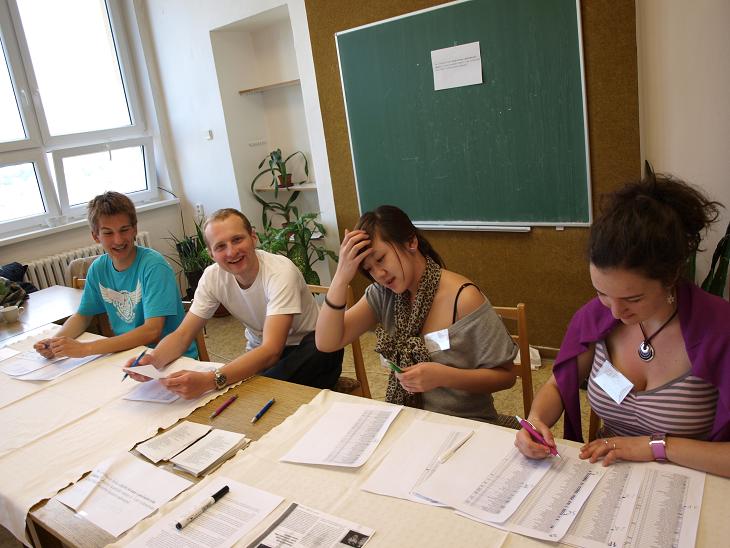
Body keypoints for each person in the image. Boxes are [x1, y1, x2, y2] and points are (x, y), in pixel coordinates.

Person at [515, 174, 730, 478]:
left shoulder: (720, 330)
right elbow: (558, 385)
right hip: (607, 474)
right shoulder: (595, 318)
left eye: (633, 298)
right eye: (602, 293)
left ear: (671, 277)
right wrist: (536, 420)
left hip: (687, 482)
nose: (615, 311)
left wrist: (655, 446)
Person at [315, 205, 517, 422]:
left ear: (411, 242)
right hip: (408, 419)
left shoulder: (464, 298)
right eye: (369, 268)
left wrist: (443, 376)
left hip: (465, 423)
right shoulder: (383, 294)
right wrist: (340, 277)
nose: (379, 274)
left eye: (381, 259)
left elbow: (506, 376)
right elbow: (326, 342)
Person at [127, 208, 343, 398]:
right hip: (264, 352)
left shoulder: (280, 272)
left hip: (309, 349)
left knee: (250, 389)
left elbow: (272, 350)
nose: (231, 252)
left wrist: (210, 380)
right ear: (211, 254)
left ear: (253, 237)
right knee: (247, 389)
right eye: (220, 246)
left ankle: (260, 388)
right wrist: (153, 360)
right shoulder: (212, 277)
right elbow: (183, 335)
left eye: (237, 240)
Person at [34, 191, 196, 359]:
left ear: (134, 229)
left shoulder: (154, 266)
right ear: (96, 236)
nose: (118, 240)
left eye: (124, 230)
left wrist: (86, 349)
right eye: (108, 233)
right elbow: (82, 316)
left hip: (171, 358)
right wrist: (55, 343)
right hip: (129, 354)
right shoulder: (98, 269)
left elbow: (152, 331)